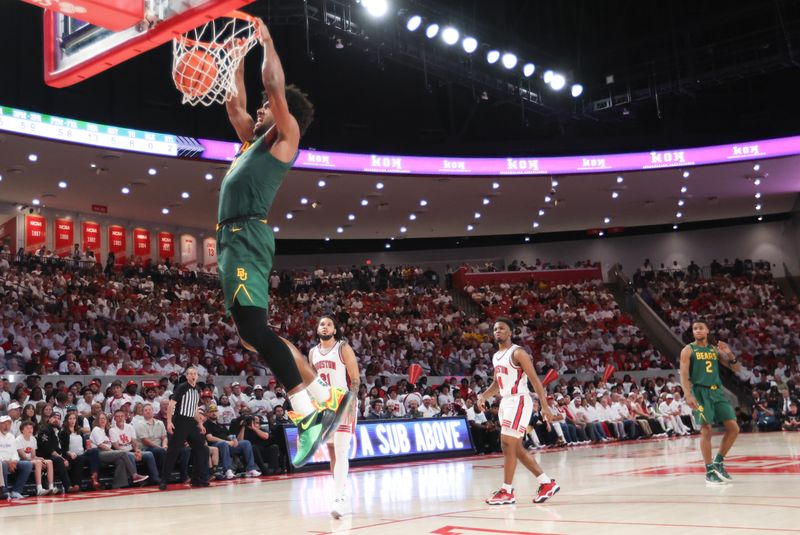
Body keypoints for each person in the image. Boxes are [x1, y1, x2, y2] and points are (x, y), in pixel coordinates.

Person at [220, 18, 351, 467]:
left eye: (265, 109)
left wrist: (266, 42)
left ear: (279, 113)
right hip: (233, 240)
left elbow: (272, 85)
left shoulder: (284, 139)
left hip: (246, 235)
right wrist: (232, 57)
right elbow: (232, 103)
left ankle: (306, 411)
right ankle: (321, 392)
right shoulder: (250, 143)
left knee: (254, 331)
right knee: (257, 338)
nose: (256, 113)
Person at [478, 318, 560, 505]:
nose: (497, 331)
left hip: (519, 400)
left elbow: (535, 380)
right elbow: (497, 384)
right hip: (505, 402)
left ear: (510, 332)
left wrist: (545, 406)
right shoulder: (496, 356)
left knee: (507, 443)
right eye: (495, 329)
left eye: (502, 328)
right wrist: (483, 396)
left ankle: (507, 491)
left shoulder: (518, 352)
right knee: (515, 447)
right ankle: (546, 483)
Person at [308, 316, 362, 517]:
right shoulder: (312, 352)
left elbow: (355, 379)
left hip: (342, 402)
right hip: (324, 405)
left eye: (329, 324)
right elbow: (312, 381)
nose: (325, 326)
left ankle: (338, 498)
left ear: (335, 329)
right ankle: (342, 493)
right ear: (317, 328)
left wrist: (350, 402)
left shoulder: (343, 348)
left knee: (341, 450)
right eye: (322, 323)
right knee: (331, 452)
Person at [680, 320, 741, 485]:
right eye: (695, 329)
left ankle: (718, 462)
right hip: (699, 392)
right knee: (706, 429)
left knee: (733, 428)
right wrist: (688, 394)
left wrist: (729, 354)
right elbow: (683, 375)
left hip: (717, 391)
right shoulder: (688, 350)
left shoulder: (714, 350)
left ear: (707, 331)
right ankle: (709, 471)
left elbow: (737, 369)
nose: (698, 331)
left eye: (701, 328)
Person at [159, 367, 209, 490]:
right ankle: (164, 480)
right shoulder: (182, 387)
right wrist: (169, 422)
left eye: (195, 373)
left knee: (202, 450)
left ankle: (197, 479)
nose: (193, 375)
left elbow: (194, 409)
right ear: (186, 376)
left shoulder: (197, 389)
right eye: (190, 373)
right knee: (173, 452)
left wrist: (200, 424)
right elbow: (171, 405)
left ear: (197, 376)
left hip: (192, 423)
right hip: (180, 422)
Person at [0, 415, 33, 500]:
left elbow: (14, 452)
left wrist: (14, 460)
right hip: (3, 462)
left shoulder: (11, 436)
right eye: (4, 424)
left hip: (12, 461)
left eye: (8, 424)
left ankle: (16, 491)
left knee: (27, 464)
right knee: (3, 465)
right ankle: (4, 491)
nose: (6, 426)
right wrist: (7, 462)